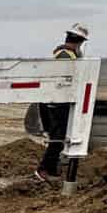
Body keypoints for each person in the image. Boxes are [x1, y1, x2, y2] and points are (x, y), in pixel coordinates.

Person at [35, 23, 89, 183]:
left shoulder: (68, 53)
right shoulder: (66, 54)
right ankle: (42, 170)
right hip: (56, 102)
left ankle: (51, 169)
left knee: (58, 137)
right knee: (58, 138)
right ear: (80, 41)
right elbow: (63, 78)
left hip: (56, 100)